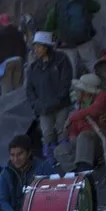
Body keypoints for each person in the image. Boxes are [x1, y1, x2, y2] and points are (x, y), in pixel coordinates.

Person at [26, 31, 74, 162]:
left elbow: (66, 80)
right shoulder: (34, 68)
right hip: (43, 108)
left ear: (46, 47)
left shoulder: (61, 59)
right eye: (35, 47)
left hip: (61, 104)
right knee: (47, 135)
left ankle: (66, 160)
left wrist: (59, 99)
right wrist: (36, 104)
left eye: (39, 46)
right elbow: (29, 90)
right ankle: (51, 163)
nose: (36, 50)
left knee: (62, 131)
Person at [57, 73, 106, 173]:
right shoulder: (79, 106)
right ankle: (75, 173)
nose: (76, 91)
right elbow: (73, 133)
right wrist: (69, 133)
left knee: (84, 136)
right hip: (82, 147)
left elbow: (94, 110)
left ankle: (85, 170)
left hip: (100, 139)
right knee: (60, 150)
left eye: (79, 89)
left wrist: (71, 117)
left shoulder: (102, 97)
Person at [45, 0, 101, 77]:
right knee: (92, 63)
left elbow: (48, 27)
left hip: (66, 43)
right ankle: (100, 81)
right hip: (84, 39)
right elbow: (97, 7)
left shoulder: (58, 6)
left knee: (71, 69)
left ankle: (72, 88)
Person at [0, 13, 27, 94]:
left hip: (5, 63)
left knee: (6, 90)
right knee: (18, 87)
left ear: (1, 23)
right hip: (19, 60)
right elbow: (23, 46)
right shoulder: (18, 31)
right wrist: (23, 58)